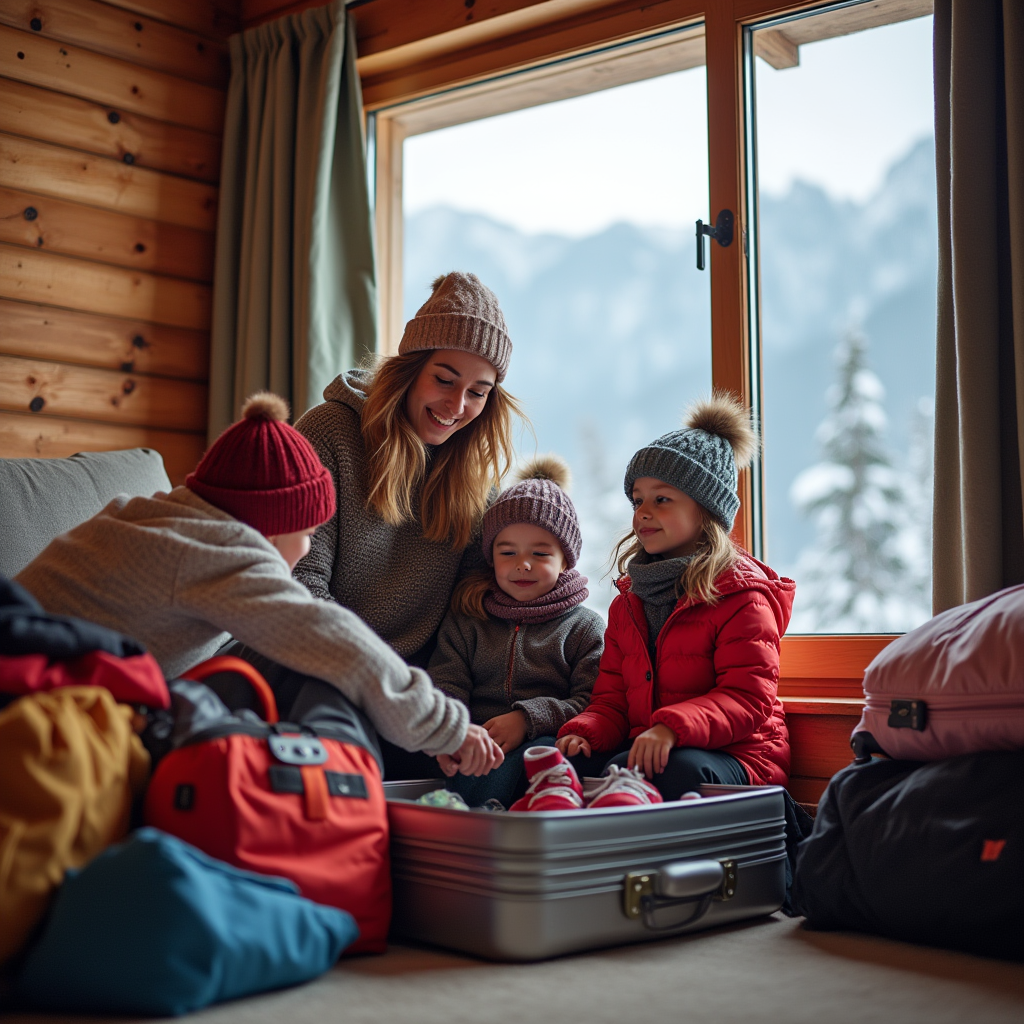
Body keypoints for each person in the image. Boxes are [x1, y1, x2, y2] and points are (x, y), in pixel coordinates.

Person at [14, 394, 504, 778]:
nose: (309, 549)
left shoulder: (153, 514)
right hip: (32, 707)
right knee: (315, 662)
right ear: (270, 527)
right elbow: (327, 635)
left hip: (35, 668)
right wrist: (448, 728)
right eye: (307, 533)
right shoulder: (218, 550)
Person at [292, 271, 524, 777]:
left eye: (478, 392)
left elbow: (472, 610)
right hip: (318, 666)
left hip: (418, 690)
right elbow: (299, 591)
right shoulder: (327, 433)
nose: (456, 406)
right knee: (339, 749)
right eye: (444, 379)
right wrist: (405, 697)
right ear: (409, 369)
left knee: (497, 770)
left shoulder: (471, 479)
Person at [544, 392, 794, 807]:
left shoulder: (741, 598)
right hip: (657, 747)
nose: (642, 512)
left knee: (672, 770)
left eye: (661, 499)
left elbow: (747, 699)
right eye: (637, 499)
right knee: (574, 765)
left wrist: (671, 728)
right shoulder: (628, 602)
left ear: (706, 511)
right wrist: (584, 730)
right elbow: (612, 699)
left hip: (740, 758)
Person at [427, 457, 604, 808]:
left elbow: (593, 703)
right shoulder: (469, 619)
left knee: (549, 754)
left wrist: (527, 720)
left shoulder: (585, 627)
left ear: (566, 559)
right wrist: (455, 731)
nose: (523, 564)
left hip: (548, 745)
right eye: (508, 552)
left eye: (540, 553)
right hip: (477, 743)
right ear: (490, 557)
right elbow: (446, 683)